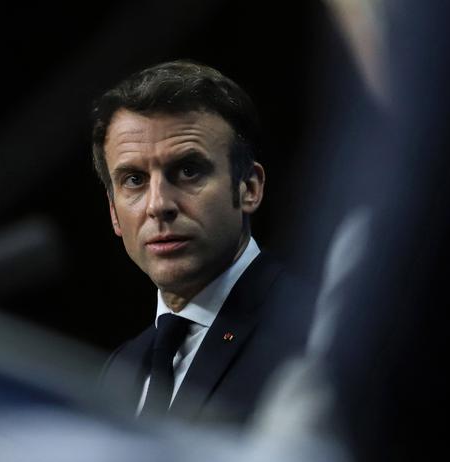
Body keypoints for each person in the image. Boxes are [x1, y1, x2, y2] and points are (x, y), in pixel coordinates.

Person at [94, 60, 314, 424]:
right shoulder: (120, 367)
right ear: (114, 213)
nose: (158, 204)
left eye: (188, 170)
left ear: (249, 187)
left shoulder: (312, 328)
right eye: (134, 179)